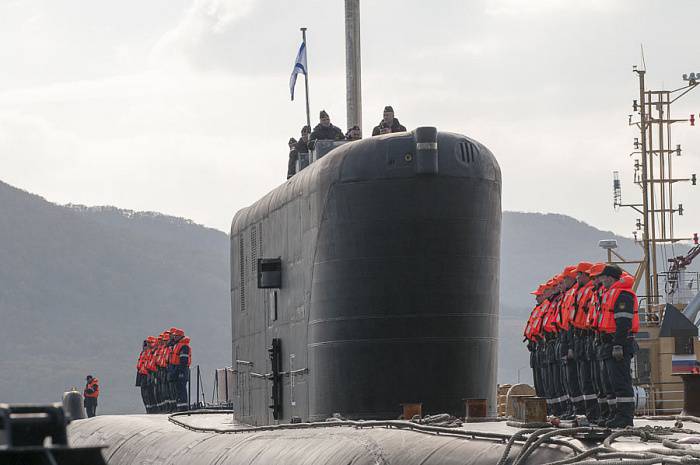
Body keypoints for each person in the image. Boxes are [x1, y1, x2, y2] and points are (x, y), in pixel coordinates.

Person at [597, 264, 639, 427]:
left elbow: (623, 322)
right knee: (610, 383)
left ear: (611, 278)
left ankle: (625, 417)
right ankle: (615, 415)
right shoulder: (609, 294)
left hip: (618, 343)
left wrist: (618, 345)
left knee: (621, 382)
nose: (602, 280)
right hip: (608, 344)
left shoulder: (623, 295)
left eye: (604, 277)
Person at [169, 329, 192, 411]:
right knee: (178, 389)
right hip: (177, 369)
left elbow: (183, 361)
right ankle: (179, 406)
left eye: (176, 336)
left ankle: (183, 407)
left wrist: (181, 372)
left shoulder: (184, 346)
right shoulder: (177, 345)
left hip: (182, 369)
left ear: (180, 336)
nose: (174, 337)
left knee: (182, 388)